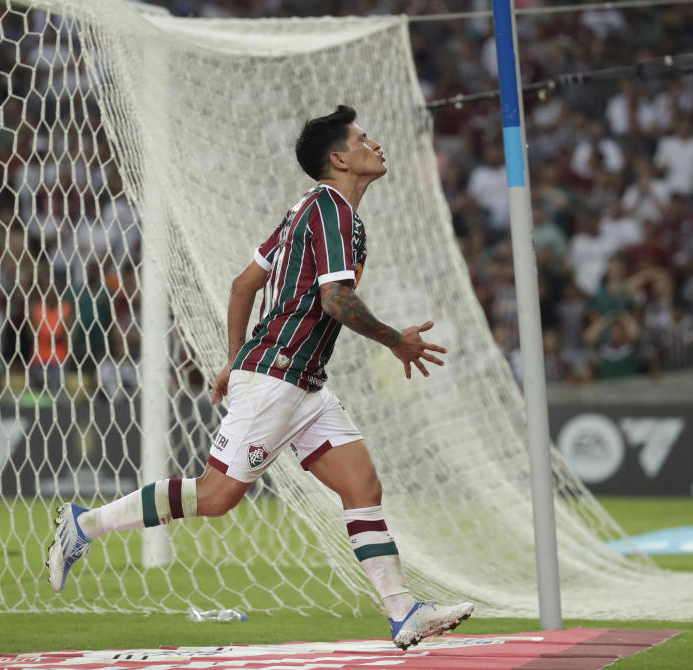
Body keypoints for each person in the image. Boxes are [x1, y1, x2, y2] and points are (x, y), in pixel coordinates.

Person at [46, 106, 474, 649]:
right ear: (339, 158)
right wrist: (396, 340)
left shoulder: (306, 210)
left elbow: (243, 283)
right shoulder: (334, 210)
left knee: (361, 485)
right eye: (364, 138)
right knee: (219, 495)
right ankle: (84, 525)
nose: (376, 144)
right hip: (278, 377)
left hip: (304, 384)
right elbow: (335, 299)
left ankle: (403, 611)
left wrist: (231, 357)